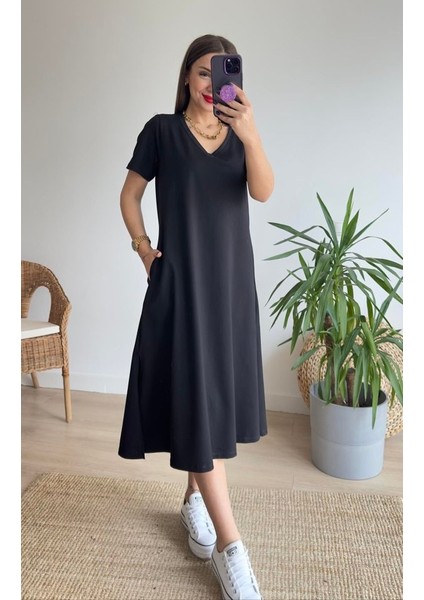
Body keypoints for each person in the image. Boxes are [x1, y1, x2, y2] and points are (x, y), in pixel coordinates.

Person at [118, 33, 274, 600]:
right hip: (181, 287)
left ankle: (193, 501)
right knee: (197, 398)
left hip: (229, 289)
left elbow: (263, 192)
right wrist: (143, 249)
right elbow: (130, 194)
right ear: (187, 75)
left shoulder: (239, 133)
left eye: (223, 73)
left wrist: (250, 133)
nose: (212, 84)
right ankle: (234, 551)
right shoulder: (161, 131)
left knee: (207, 404)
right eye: (204, 72)